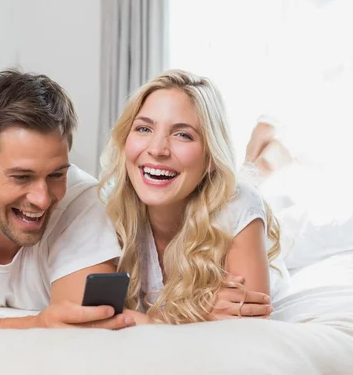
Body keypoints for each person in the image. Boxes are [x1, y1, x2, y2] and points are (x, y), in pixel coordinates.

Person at [0, 69, 273, 330]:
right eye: (22, 177)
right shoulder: (118, 204)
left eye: (57, 174)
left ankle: (263, 155)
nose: (44, 199)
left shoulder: (86, 201)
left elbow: (82, 327)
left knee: (252, 184)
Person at [99, 69, 290, 325]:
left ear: (211, 156)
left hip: (232, 200)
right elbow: (96, 314)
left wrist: (152, 319)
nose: (156, 149)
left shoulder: (239, 207)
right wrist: (192, 313)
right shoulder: (111, 206)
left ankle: (268, 157)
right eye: (144, 128)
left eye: (182, 134)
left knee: (249, 185)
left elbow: (251, 319)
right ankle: (257, 156)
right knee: (247, 176)